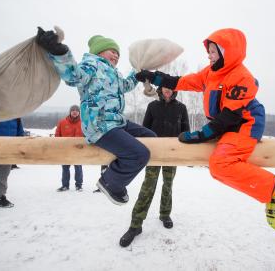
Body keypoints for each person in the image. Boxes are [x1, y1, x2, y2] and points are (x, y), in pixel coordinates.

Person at [135, 28, 275, 231]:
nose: (209, 55)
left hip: (245, 124)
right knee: (217, 169)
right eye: (209, 51)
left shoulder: (241, 77)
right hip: (226, 125)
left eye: (213, 51)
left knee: (221, 165)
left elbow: (231, 114)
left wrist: (203, 134)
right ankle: (273, 191)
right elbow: (182, 82)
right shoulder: (210, 73)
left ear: (227, 51)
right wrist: (153, 77)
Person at [36, 28, 156, 205]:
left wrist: (138, 73)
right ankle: (110, 181)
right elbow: (74, 76)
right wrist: (59, 52)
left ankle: (119, 170)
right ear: (99, 51)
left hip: (116, 122)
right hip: (99, 125)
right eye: (112, 51)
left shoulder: (113, 73)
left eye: (118, 54)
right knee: (139, 154)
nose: (116, 56)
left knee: (151, 138)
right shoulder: (91, 65)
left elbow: (125, 85)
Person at [120, 87, 190, 247]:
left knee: (168, 185)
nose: (168, 91)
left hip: (172, 155)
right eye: (165, 88)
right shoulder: (153, 107)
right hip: (154, 154)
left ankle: (165, 214)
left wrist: (185, 153)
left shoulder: (181, 108)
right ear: (161, 89)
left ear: (174, 90)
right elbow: (144, 130)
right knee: (148, 186)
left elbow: (186, 132)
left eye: (171, 88)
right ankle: (135, 225)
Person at [55, 105, 85, 191]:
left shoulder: (83, 123)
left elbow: (87, 135)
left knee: (78, 168)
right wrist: (59, 147)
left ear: (79, 112)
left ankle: (78, 185)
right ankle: (65, 185)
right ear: (70, 112)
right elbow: (57, 135)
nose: (74, 111)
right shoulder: (62, 122)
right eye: (73, 110)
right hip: (65, 150)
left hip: (78, 150)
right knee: (65, 168)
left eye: (76, 110)